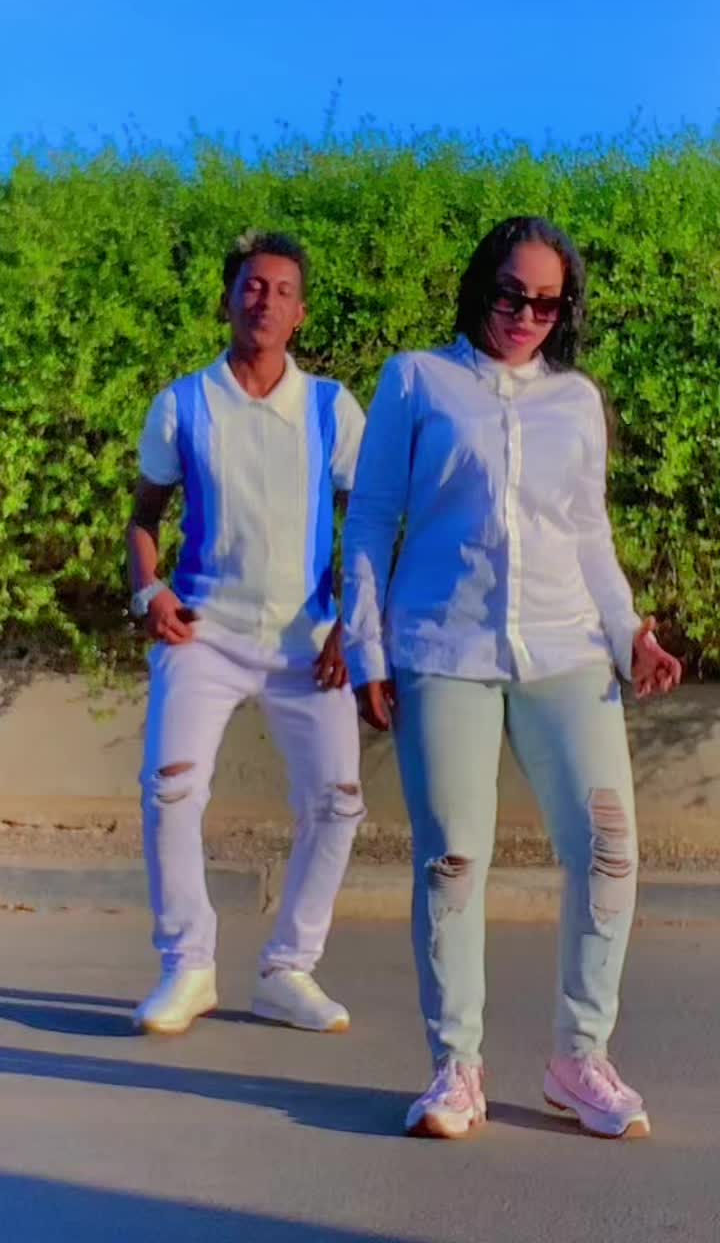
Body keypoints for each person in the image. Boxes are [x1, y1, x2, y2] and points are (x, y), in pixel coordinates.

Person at [342, 216, 681, 1140]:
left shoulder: (576, 399)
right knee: (453, 860)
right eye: (512, 295)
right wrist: (366, 649)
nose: (527, 315)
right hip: (443, 649)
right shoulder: (417, 379)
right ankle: (456, 1069)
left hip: (567, 650)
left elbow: (588, 534)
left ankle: (581, 1059)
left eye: (547, 303)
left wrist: (630, 635)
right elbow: (370, 521)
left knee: (609, 850)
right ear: (480, 286)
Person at [128, 230, 366, 1036]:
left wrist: (354, 629)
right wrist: (149, 591)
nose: (266, 300)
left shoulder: (332, 408)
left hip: (310, 644)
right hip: (204, 635)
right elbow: (143, 519)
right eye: (252, 286)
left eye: (283, 290)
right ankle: (187, 967)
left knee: (338, 804)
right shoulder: (183, 404)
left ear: (301, 314)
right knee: (171, 790)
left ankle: (288, 971)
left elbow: (369, 522)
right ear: (228, 300)